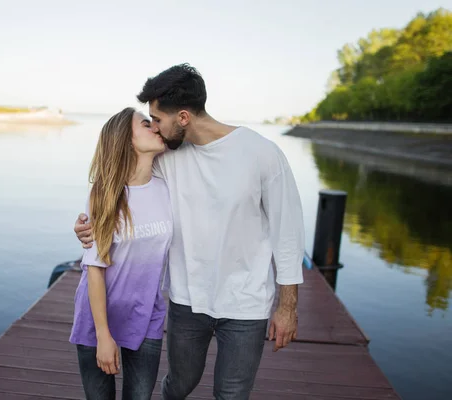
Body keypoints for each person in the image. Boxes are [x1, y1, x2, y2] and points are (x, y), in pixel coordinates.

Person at [74, 64, 305, 400]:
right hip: (186, 300)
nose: (154, 127)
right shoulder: (167, 155)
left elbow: (289, 235)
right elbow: (119, 182)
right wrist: (84, 225)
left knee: (232, 393)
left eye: (157, 119)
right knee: (178, 386)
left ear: (183, 117)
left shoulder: (262, 154)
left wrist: (288, 307)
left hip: (246, 303)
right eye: (149, 121)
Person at [69, 107, 173, 400]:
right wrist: (103, 335)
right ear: (126, 140)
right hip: (99, 317)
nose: (155, 127)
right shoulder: (104, 194)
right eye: (146, 124)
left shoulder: (168, 189)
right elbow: (95, 268)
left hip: (147, 315)